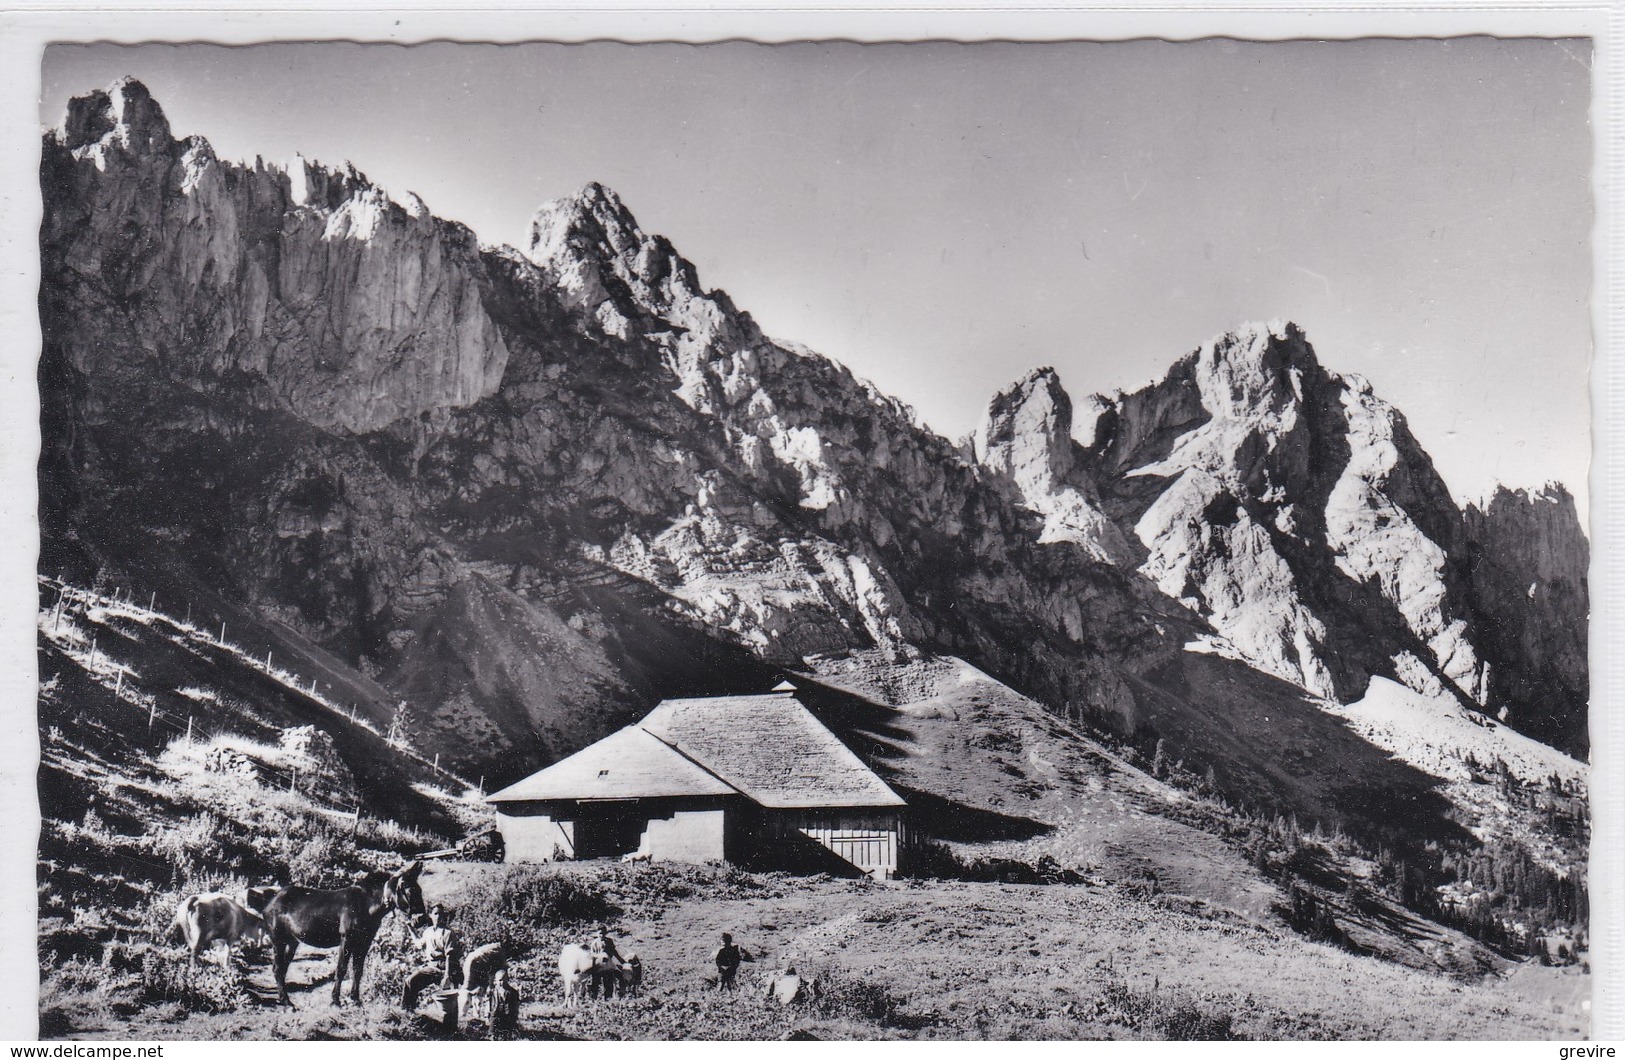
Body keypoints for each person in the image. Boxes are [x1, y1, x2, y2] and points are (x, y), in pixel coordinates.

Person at [587, 922, 624, 1000]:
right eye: (600, 933)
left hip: (608, 966)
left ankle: (608, 1001)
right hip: (598, 967)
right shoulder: (595, 943)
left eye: (603, 933)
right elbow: (591, 954)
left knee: (608, 984)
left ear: (606, 933)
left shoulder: (609, 941)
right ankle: (594, 1000)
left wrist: (622, 961)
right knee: (595, 984)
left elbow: (614, 952)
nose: (602, 935)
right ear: (597, 933)